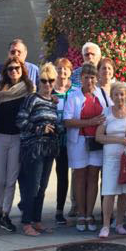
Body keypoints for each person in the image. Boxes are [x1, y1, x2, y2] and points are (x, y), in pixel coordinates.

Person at [16, 62, 62, 236]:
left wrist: (57, 128)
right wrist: (39, 129)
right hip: (33, 149)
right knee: (32, 186)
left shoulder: (53, 102)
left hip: (49, 148)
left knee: (42, 187)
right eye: (44, 81)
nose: (48, 84)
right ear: (39, 81)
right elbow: (20, 121)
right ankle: (27, 222)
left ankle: (36, 220)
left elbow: (58, 123)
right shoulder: (32, 99)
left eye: (51, 81)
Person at [64, 62, 111, 231]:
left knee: (93, 177)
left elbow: (113, 112)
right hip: (79, 141)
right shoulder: (73, 95)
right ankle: (81, 214)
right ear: (81, 79)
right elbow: (67, 121)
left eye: (92, 77)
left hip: (96, 142)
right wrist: (89, 122)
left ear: (97, 79)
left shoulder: (102, 94)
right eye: (86, 78)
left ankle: (90, 214)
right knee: (79, 176)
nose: (89, 81)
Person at [0, 57, 35, 233]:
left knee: (11, 180)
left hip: (17, 137)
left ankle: (6, 214)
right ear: (6, 72)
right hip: (0, 137)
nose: (13, 71)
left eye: (17, 68)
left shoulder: (28, 88)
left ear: (22, 69)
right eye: (10, 69)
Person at [96, 82, 126, 238]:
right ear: (112, 96)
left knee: (124, 192)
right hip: (111, 158)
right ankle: (105, 225)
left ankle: (120, 223)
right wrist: (117, 139)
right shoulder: (106, 112)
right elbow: (99, 137)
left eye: (122, 94)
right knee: (109, 192)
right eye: (116, 94)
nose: (119, 97)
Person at [52, 57, 75, 225]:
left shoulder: (75, 90)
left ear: (70, 72)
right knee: (46, 175)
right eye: (59, 69)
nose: (62, 72)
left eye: (65, 69)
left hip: (69, 139)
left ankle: (61, 209)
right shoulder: (49, 90)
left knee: (64, 175)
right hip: (51, 138)